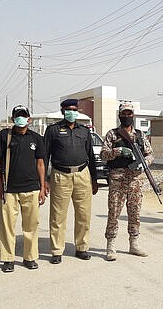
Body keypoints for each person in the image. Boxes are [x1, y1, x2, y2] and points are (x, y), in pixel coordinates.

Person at [0, 105, 46, 273]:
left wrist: (43, 187)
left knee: (31, 225)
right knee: (7, 226)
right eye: (17, 116)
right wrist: (0, 185)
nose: (20, 119)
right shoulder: (5, 136)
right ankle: (8, 259)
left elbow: (41, 163)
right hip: (10, 189)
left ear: (29, 119)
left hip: (31, 188)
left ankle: (30, 257)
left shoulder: (36, 138)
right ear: (13, 118)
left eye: (23, 116)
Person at [44, 99, 98, 264]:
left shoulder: (84, 131)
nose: (71, 112)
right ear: (62, 111)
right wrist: (45, 180)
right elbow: (45, 156)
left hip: (82, 174)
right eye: (68, 109)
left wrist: (94, 180)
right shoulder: (53, 130)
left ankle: (82, 247)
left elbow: (91, 156)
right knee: (58, 216)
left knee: (84, 214)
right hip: (61, 175)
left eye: (74, 109)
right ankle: (56, 250)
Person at [101, 102, 154, 261]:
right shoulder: (112, 134)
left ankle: (134, 243)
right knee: (114, 212)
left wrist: (143, 163)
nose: (126, 116)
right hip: (117, 179)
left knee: (134, 213)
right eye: (124, 114)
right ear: (119, 115)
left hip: (135, 180)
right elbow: (104, 155)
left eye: (129, 114)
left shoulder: (140, 135)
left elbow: (150, 154)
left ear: (133, 115)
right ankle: (111, 245)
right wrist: (117, 151)